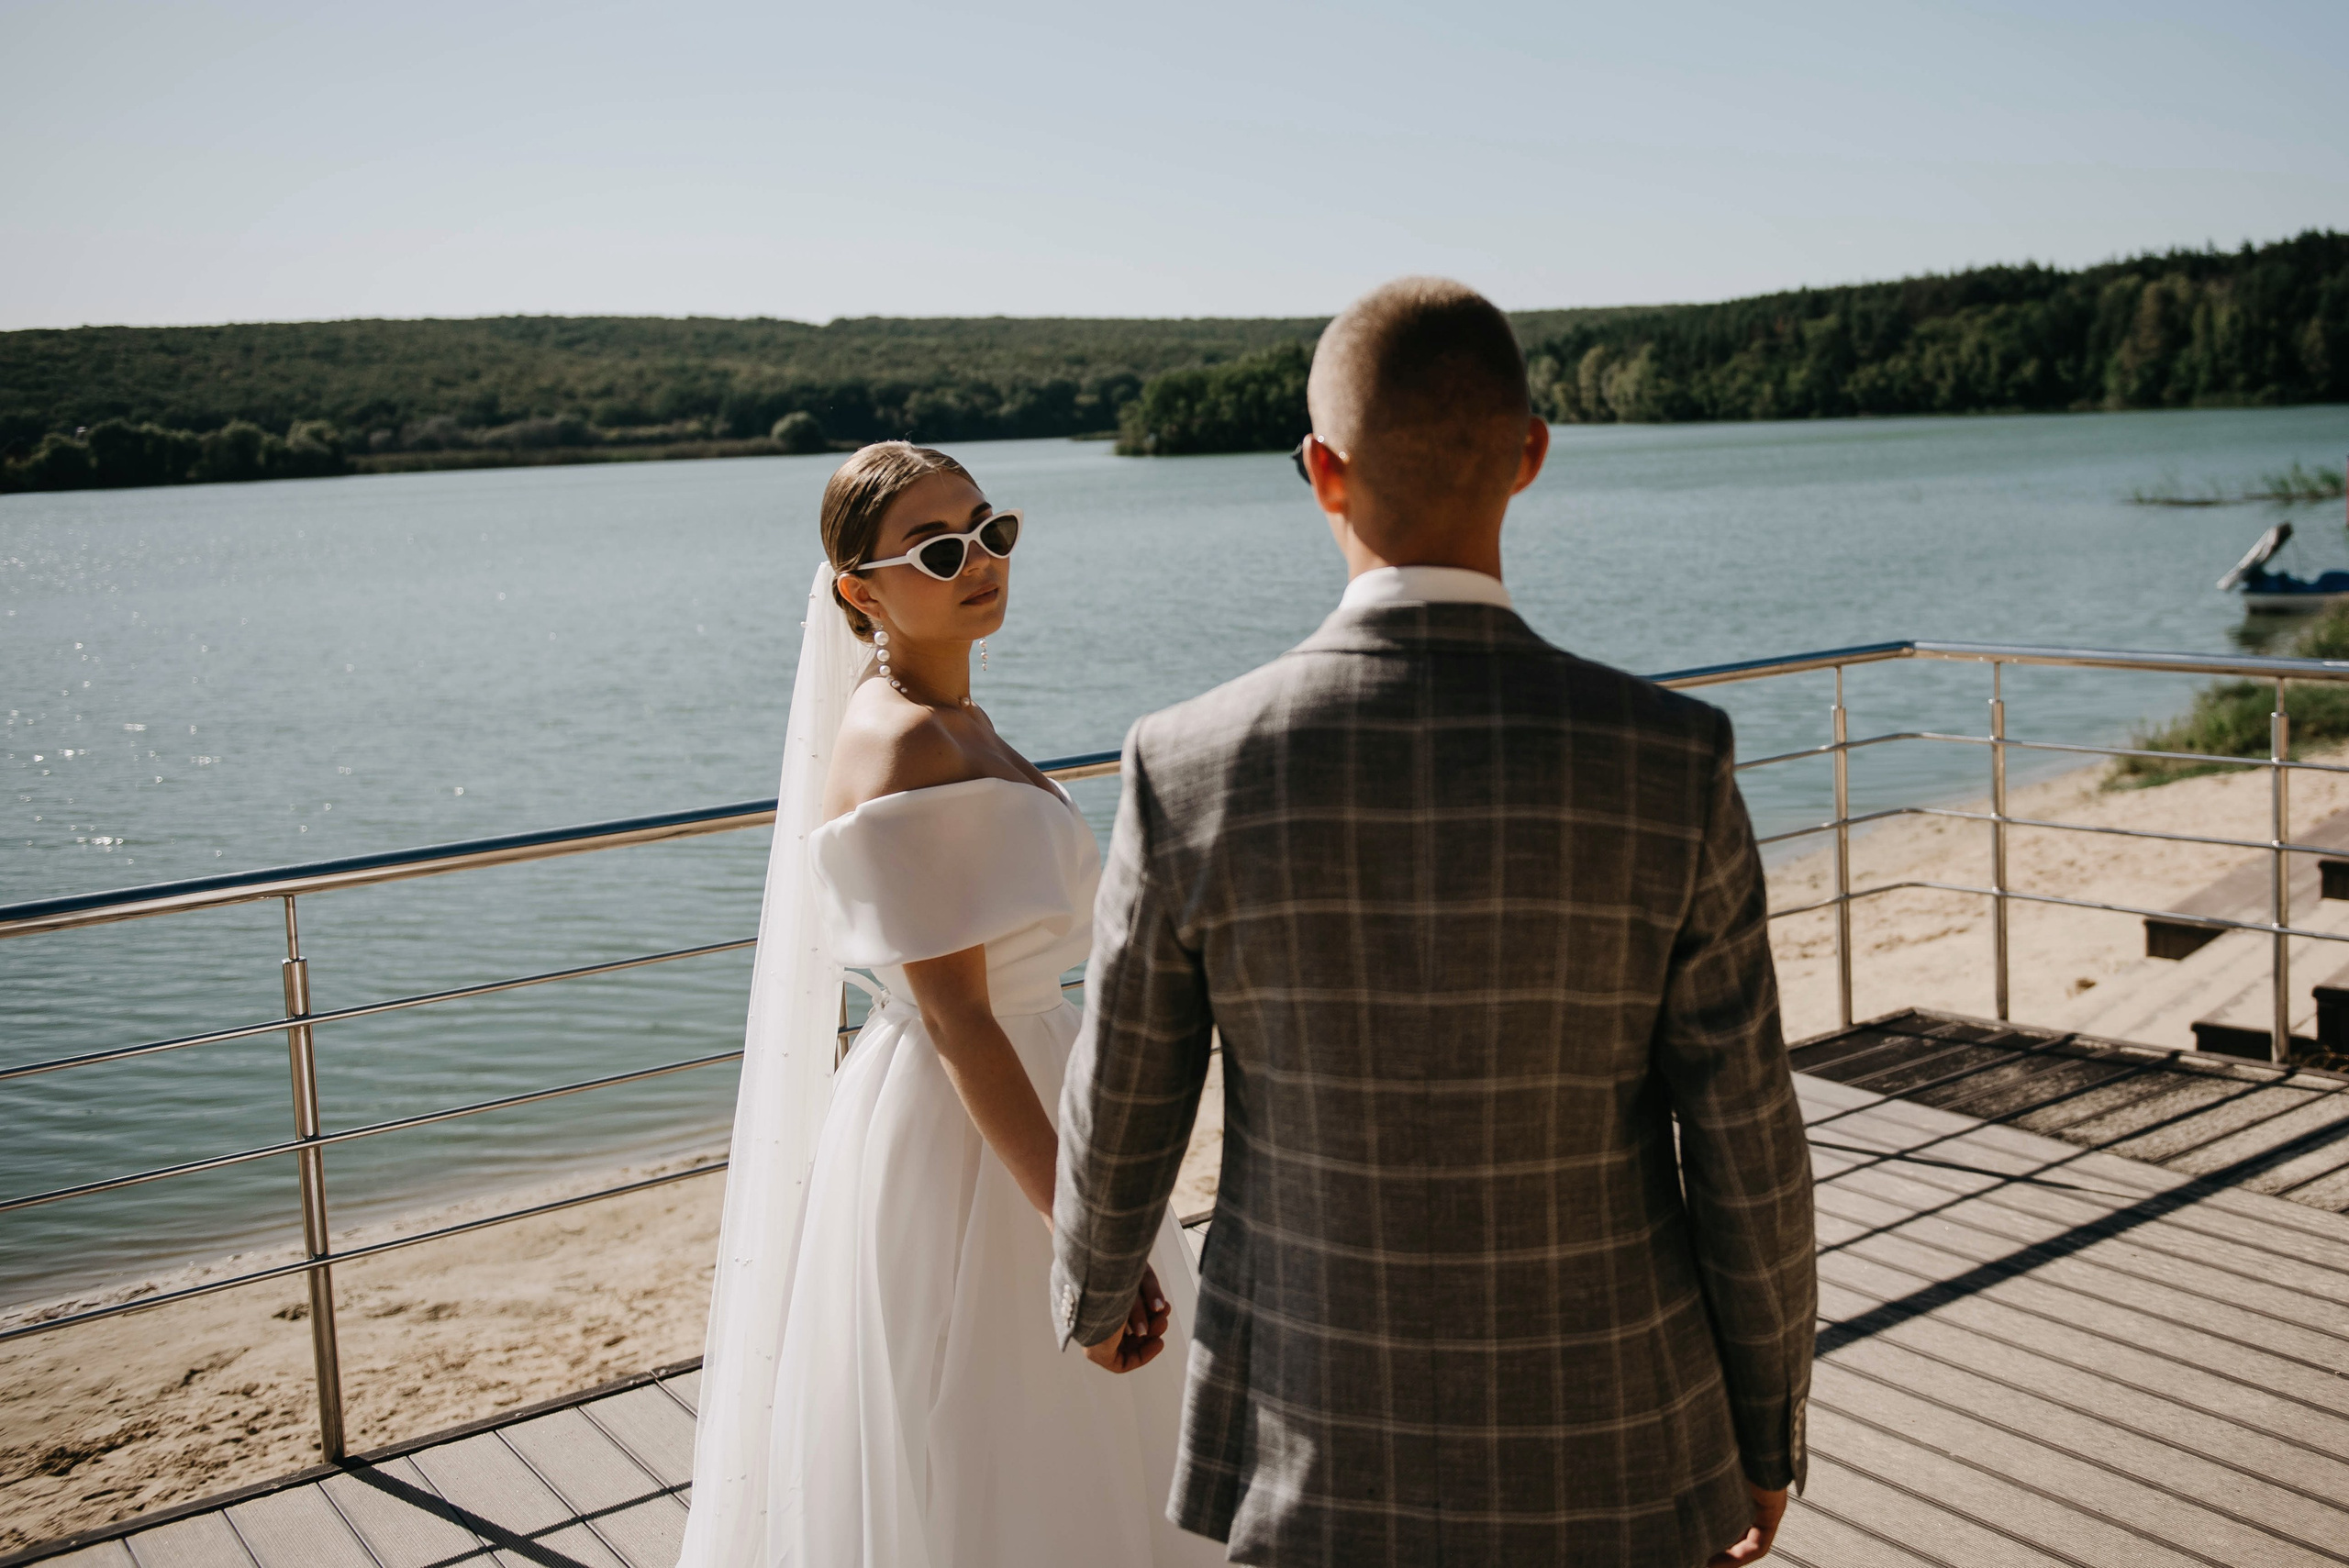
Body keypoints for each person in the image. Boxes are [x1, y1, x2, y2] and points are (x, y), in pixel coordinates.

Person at [1052, 279, 1818, 1567]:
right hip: (1619, 1445)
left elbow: (1125, 1089)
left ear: (1321, 471)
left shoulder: (1187, 764)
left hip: (1310, 1437)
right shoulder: (1668, 758)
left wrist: (1095, 1284)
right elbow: (1748, 1139)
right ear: (1528, 455)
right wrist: (1765, 1425)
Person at [678, 442, 1223, 1567]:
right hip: (972, 1126)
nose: (979, 560)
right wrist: (1084, 1239)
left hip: (1033, 1077)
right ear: (860, 593)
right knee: (1006, 1437)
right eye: (937, 550)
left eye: (990, 530)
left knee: (1075, 1443)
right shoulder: (905, 744)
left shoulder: (949, 712)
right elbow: (958, 1017)